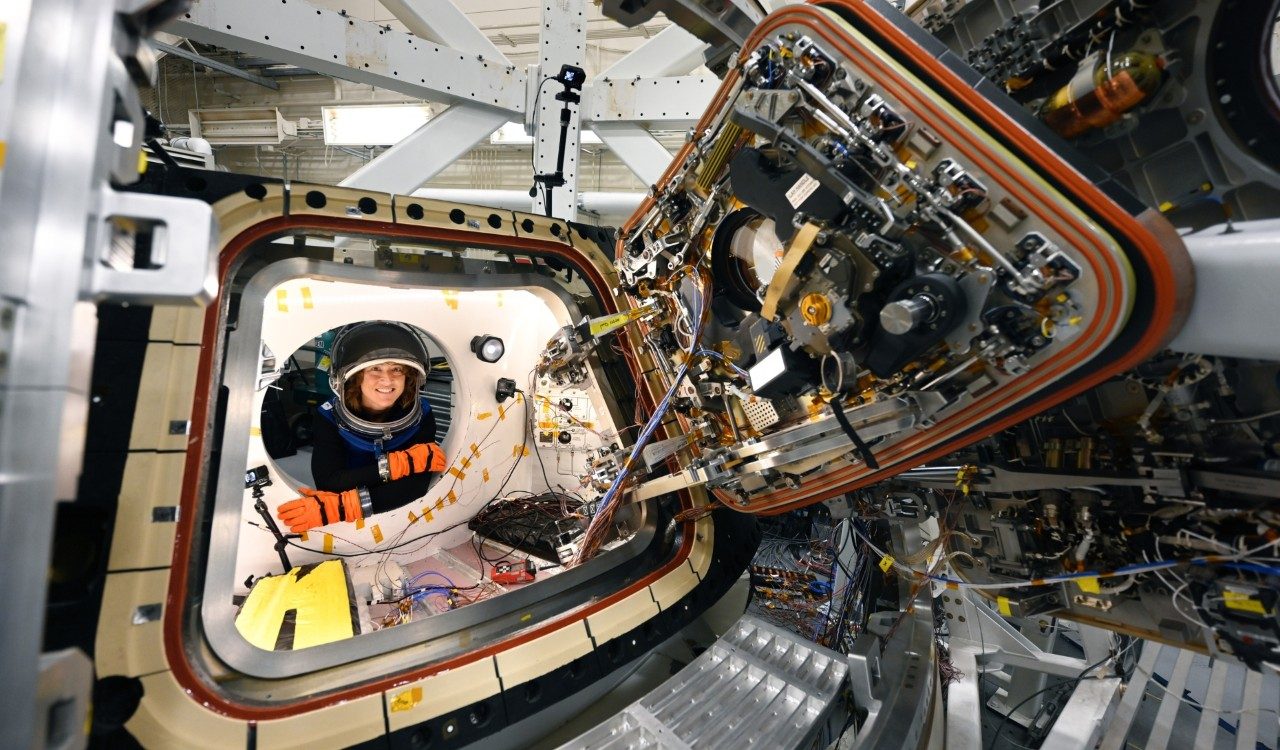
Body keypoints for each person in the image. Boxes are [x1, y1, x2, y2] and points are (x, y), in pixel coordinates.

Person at [276, 321, 447, 533]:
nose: (387, 379)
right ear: (356, 376)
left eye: (397, 369)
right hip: (350, 527)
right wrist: (395, 466)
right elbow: (329, 483)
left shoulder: (421, 414)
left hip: (400, 521)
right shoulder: (329, 417)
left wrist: (343, 506)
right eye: (375, 368)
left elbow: (418, 485)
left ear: (409, 376)